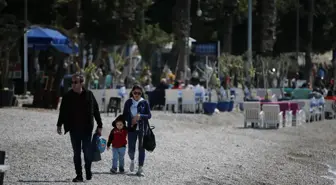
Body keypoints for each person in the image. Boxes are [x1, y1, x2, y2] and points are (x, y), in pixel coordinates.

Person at [57, 73, 103, 182]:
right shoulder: (67, 96)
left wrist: (100, 125)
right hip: (73, 129)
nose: (73, 84)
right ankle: (79, 175)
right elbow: (62, 111)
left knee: (87, 152)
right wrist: (59, 124)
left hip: (87, 129)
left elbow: (95, 110)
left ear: (82, 83)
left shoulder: (89, 95)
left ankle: (88, 170)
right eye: (72, 82)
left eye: (75, 82)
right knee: (76, 153)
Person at [123, 84, 152, 176]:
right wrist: (130, 120)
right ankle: (132, 160)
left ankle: (140, 168)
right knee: (131, 149)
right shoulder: (128, 102)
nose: (137, 94)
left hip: (142, 129)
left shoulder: (144, 102)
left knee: (141, 148)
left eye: (139, 93)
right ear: (132, 92)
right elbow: (124, 115)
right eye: (135, 92)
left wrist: (140, 116)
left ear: (141, 94)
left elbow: (149, 115)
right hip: (131, 128)